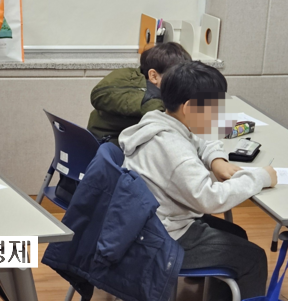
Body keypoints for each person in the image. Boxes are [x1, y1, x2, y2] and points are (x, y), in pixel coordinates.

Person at [120, 61, 277, 300]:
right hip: (164, 239)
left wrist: (216, 160)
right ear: (190, 108)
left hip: (148, 225)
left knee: (237, 235)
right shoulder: (175, 150)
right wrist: (259, 177)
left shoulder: (158, 122)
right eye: (215, 109)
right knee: (254, 258)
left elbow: (198, 141)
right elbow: (210, 199)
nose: (219, 116)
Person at [87, 42, 191, 146]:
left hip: (93, 137)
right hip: (109, 145)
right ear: (153, 76)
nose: (180, 83)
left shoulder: (131, 76)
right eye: (175, 78)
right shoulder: (153, 104)